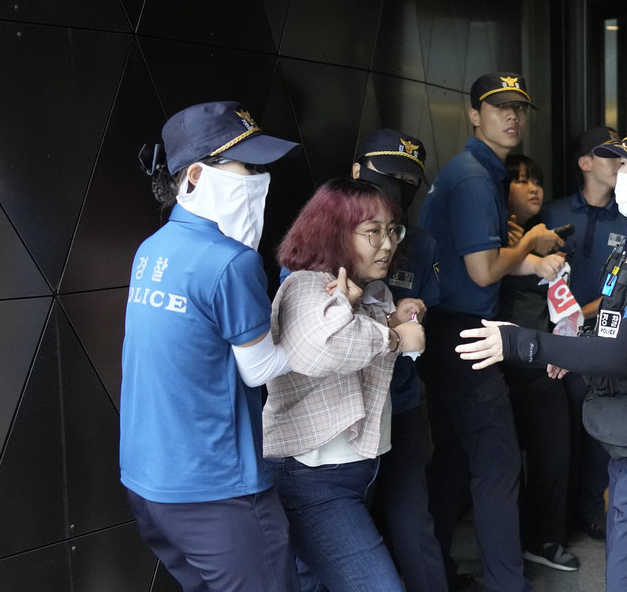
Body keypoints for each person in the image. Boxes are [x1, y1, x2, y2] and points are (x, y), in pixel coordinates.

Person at [456, 118, 627, 592]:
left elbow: (625, 353)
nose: (626, 173)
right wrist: (578, 350)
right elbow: (612, 330)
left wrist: (519, 342)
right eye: (623, 162)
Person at [120, 101, 301, 592]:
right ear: (195, 176)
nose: (260, 178)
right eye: (248, 166)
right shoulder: (231, 262)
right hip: (218, 493)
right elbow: (259, 369)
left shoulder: (151, 249)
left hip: (149, 485)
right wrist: (317, 329)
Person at [417, 72, 565, 592]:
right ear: (474, 114)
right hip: (462, 334)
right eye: (498, 106)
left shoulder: (475, 171)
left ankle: (432, 573)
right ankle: (508, 584)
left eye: (519, 108)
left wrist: (530, 263)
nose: (512, 116)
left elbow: (472, 265)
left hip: (443, 329)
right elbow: (482, 271)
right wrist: (532, 243)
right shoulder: (475, 178)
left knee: (458, 458)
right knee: (499, 462)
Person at [263, 178, 426, 592]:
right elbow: (322, 351)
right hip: (311, 476)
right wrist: (394, 337)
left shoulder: (368, 290)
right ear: (334, 231)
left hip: (351, 471)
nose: (387, 244)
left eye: (393, 230)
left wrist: (395, 317)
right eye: (373, 232)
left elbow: (356, 352)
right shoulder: (304, 286)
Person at [350, 129, 449, 592]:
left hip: (402, 400)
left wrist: (413, 310)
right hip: (345, 413)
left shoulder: (420, 243)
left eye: (408, 181)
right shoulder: (324, 238)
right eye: (388, 176)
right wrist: (385, 324)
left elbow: (425, 301)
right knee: (351, 528)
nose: (385, 243)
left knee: (413, 520)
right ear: (358, 173)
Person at [538, 126, 625, 541]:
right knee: (556, 435)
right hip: (552, 340)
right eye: (609, 155)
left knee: (596, 431)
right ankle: (552, 522)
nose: (620, 163)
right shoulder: (553, 215)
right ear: (585, 163)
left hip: (601, 340)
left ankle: (591, 509)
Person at [498, 154, 579, 571]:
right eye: (521, 180)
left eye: (537, 182)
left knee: (552, 453)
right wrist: (525, 248)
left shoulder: (546, 237)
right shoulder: (492, 239)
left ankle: (543, 539)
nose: (533, 189)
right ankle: (509, 543)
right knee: (503, 462)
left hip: (543, 359)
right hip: (497, 362)